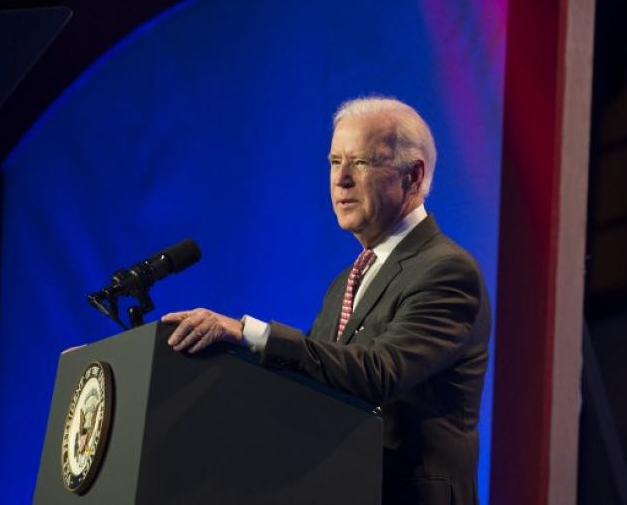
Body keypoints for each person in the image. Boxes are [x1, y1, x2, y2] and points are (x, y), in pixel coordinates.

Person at [162, 96, 491, 505]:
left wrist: (247, 333)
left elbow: (379, 373)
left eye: (363, 162)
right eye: (335, 162)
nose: (342, 179)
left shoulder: (447, 271)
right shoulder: (346, 282)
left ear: (413, 175)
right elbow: (311, 385)